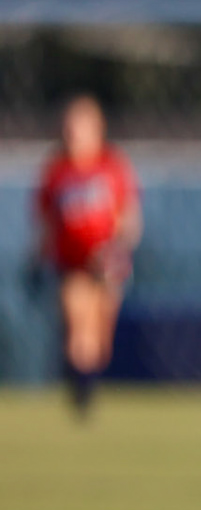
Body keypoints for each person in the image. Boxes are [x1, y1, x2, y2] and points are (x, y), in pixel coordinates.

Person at [35, 94, 140, 418]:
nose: (73, 132)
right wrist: (37, 260)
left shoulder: (112, 165)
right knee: (77, 325)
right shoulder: (56, 171)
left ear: (97, 128)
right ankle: (80, 399)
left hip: (107, 263)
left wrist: (116, 251)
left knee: (99, 339)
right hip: (72, 263)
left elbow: (129, 218)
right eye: (69, 125)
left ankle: (86, 386)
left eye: (79, 124)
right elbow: (46, 224)